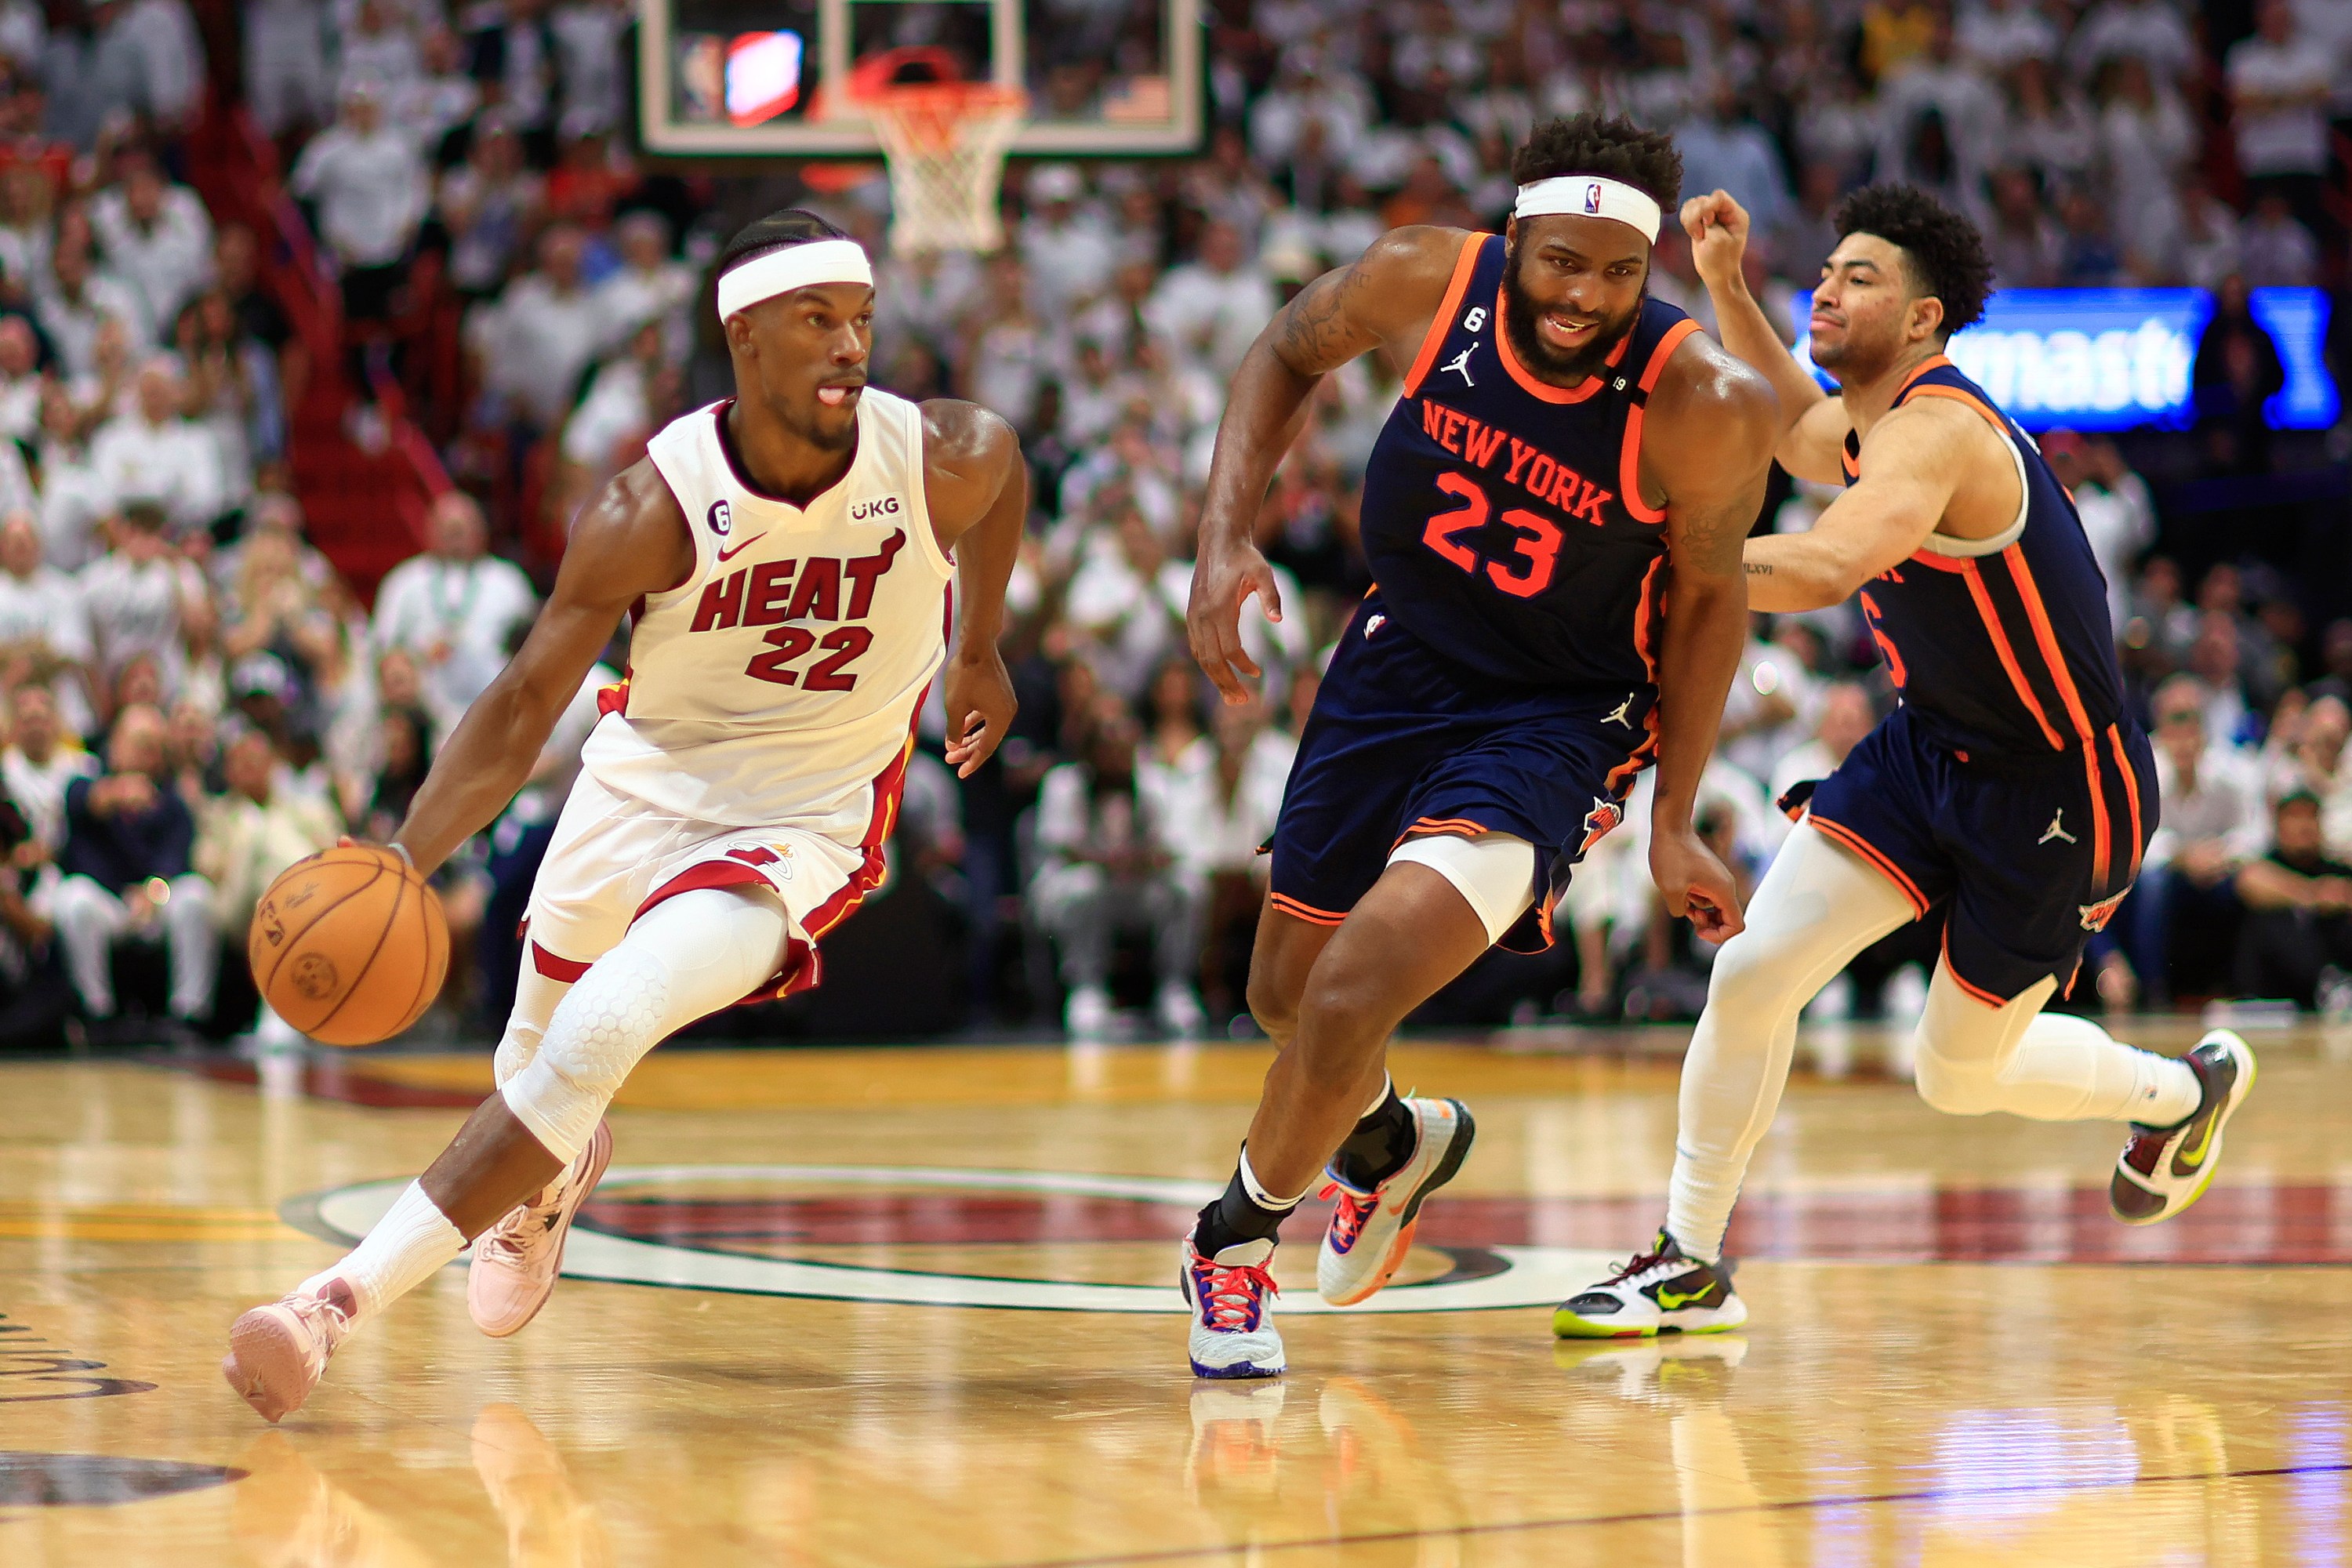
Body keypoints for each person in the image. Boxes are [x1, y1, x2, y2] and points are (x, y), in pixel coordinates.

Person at [222, 210, 1026, 1422]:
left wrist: (981, 650)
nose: (849, 347)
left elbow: (1006, 473)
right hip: (642, 781)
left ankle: (328, 1307)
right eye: (817, 321)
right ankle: (553, 1175)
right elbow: (518, 705)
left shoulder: (934, 458)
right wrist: (401, 857)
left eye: (861, 321)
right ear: (744, 335)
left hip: (800, 821)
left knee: (604, 1025)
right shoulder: (651, 506)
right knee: (534, 1057)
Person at [1559, 183, 2257, 1341]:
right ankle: (1688, 1259)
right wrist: (1729, 284)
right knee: (1752, 975)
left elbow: (1831, 563)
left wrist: (1644, 555)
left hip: (2057, 788)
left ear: (1926, 320)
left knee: (1955, 1075)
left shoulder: (1939, 433)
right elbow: (1794, 432)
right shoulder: (1874, 423)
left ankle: (2183, 1093)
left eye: (1860, 277)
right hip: (1929, 743)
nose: (1828, 288)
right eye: (1824, 272)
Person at [1180, 114, 1777, 1378]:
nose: (1588, 298)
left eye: (1622, 272)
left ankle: (1233, 1249)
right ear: (1515, 238)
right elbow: (1285, 351)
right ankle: (1393, 1147)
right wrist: (1224, 534)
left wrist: (1672, 818)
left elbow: (1715, 601)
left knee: (1351, 991)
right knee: (1284, 998)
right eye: (1562, 262)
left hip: (1561, 714)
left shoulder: (1704, 405)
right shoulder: (1423, 278)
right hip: (1398, 660)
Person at [51, 702, 215, 1036]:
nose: (148, 755)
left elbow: (174, 863)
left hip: (152, 906)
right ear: (115, 745)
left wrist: (152, 892)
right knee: (73, 898)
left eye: (155, 747)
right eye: (140, 743)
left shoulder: (172, 803)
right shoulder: (82, 784)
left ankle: (189, 1015)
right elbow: (85, 804)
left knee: (196, 895)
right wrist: (116, 793)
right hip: (107, 905)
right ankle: (96, 1015)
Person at [2234, 791, 2352, 1008]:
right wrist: (2313, 894)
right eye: (2294, 817)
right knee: (2272, 919)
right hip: (2274, 991)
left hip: (2335, 982)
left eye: (2310, 817)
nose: (2303, 826)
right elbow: (2248, 881)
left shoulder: (2336, 870)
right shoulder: (2268, 864)